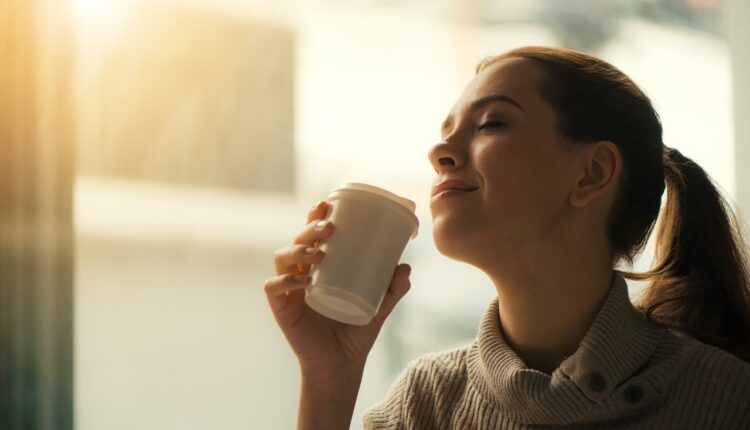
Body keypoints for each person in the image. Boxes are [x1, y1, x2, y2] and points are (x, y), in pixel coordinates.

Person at [263, 46, 750, 429]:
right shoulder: (425, 403)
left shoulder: (728, 401)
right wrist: (329, 375)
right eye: (445, 130)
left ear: (593, 173)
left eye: (491, 122)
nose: (438, 151)